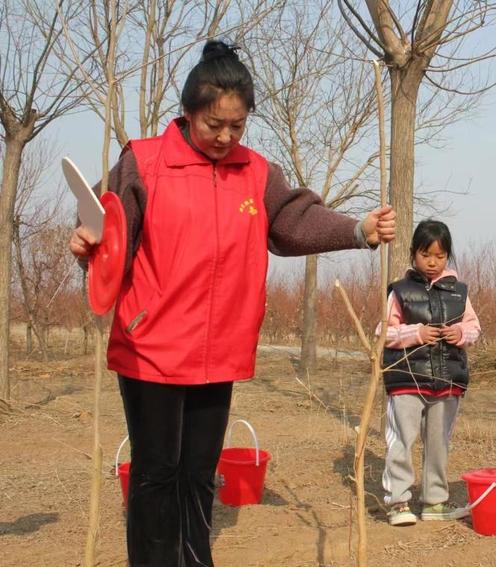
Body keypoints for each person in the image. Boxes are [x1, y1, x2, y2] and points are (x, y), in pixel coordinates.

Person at [68, 40, 395, 567]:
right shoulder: (144, 162)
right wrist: (87, 244)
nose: (224, 137)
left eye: (236, 126)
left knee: (199, 473)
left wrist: (357, 229)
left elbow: (291, 223)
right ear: (187, 113)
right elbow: (108, 233)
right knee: (156, 473)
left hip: (219, 349)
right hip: (151, 344)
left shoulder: (256, 173)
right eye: (212, 124)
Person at [375, 219, 482, 526]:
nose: (433, 262)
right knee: (402, 440)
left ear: (448, 255)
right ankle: (398, 501)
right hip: (407, 379)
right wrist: (416, 333)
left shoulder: (459, 293)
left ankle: (434, 501)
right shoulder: (400, 291)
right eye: (426, 254)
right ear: (413, 255)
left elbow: (475, 328)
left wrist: (460, 332)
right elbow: (383, 330)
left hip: (447, 380)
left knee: (438, 442)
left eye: (440, 255)